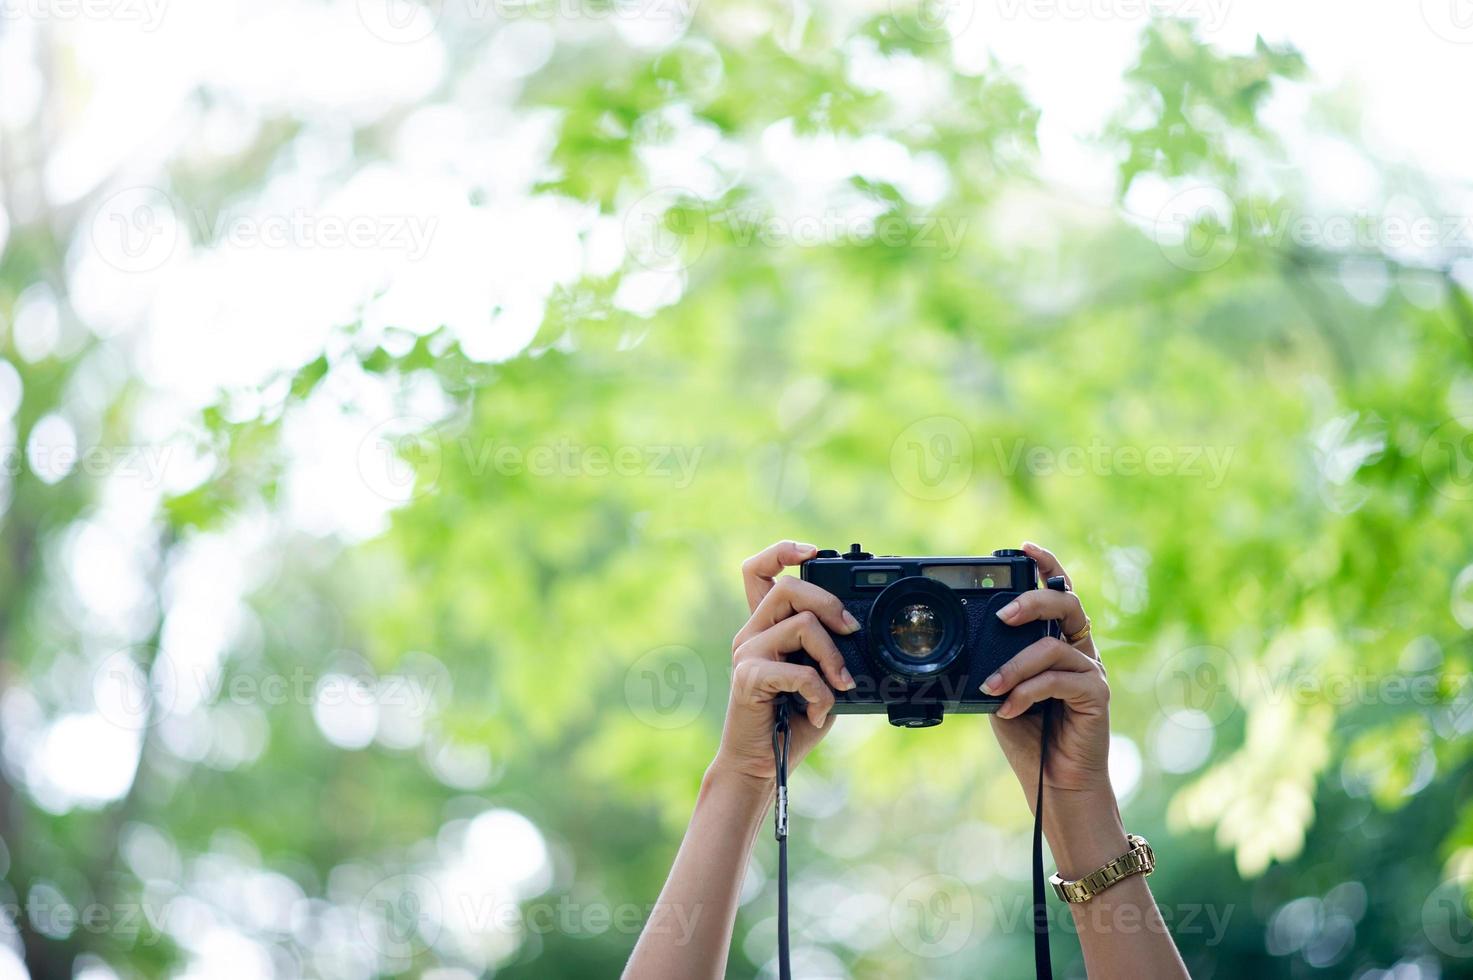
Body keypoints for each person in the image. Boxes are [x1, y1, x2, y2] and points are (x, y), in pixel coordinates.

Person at [623, 540, 1189, 979]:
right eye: (895, 616)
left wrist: (1074, 796)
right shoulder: (749, 766)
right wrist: (744, 773)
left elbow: (1075, 790)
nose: (918, 629)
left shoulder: (1071, 787)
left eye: (939, 613)